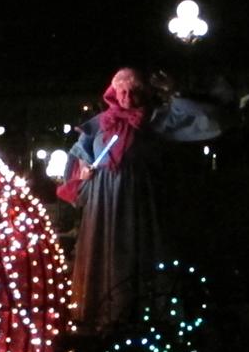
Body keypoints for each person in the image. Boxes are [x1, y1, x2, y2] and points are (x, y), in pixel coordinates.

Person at [59, 67, 220, 334]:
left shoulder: (156, 118)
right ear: (113, 93)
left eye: (133, 92)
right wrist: (83, 168)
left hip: (141, 198)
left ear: (143, 93)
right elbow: (78, 157)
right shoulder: (100, 123)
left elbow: (206, 117)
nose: (126, 98)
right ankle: (106, 316)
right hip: (104, 200)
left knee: (141, 251)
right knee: (106, 253)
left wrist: (174, 92)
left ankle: (146, 319)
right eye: (121, 91)